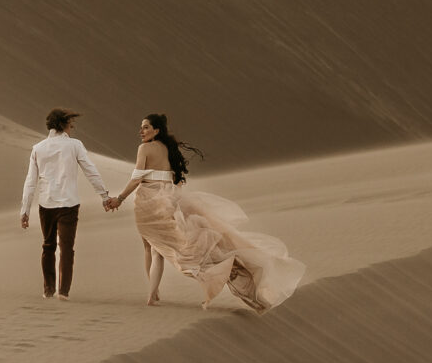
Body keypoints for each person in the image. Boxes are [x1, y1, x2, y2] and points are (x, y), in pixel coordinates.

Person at [104, 113, 304, 312]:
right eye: (141, 127)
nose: (141, 131)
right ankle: (153, 293)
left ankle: (154, 293)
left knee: (154, 248)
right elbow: (173, 178)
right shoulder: (168, 148)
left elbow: (137, 178)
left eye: (146, 127)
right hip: (169, 199)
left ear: (156, 130)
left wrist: (119, 199)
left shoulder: (144, 148)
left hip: (150, 202)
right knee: (157, 249)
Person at [18, 108, 114, 299]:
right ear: (63, 125)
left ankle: (48, 290)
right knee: (67, 248)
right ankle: (64, 291)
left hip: (46, 203)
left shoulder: (38, 148)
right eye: (71, 125)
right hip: (69, 203)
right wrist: (103, 195)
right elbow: (90, 170)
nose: (72, 129)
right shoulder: (75, 145)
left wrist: (25, 210)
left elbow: (30, 181)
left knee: (48, 246)